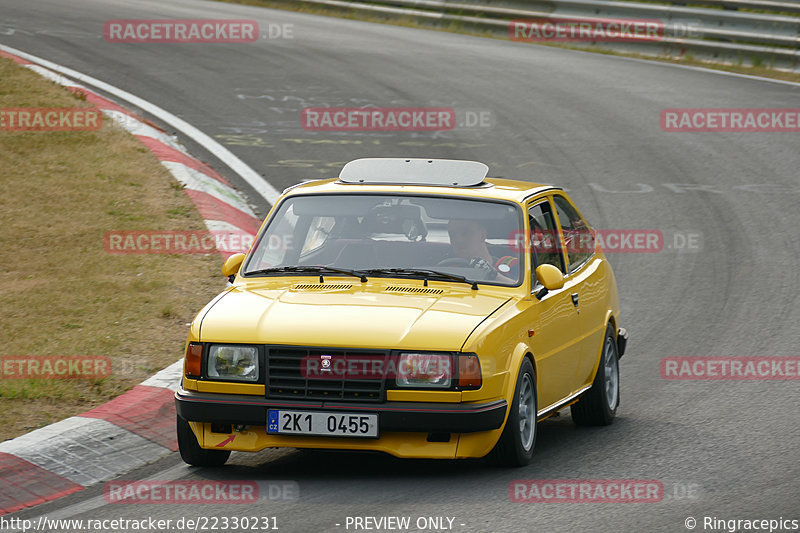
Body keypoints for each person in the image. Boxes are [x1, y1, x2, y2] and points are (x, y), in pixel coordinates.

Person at [446, 219, 515, 283]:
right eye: (453, 235)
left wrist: (493, 275)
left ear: (482, 235)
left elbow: (521, 292)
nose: (458, 240)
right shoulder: (447, 270)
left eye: (466, 233)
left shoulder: (511, 265)